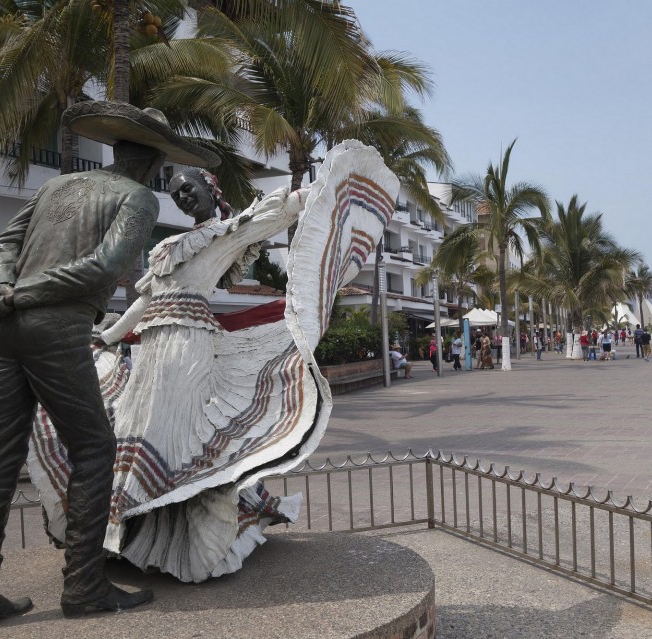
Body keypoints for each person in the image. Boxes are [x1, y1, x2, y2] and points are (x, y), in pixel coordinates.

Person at [28, 141, 397, 585]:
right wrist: (106, 335)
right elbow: (146, 302)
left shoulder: (224, 233)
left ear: (210, 189)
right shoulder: (169, 246)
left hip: (187, 347)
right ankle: (133, 534)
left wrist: (313, 195)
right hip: (152, 347)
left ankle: (186, 538)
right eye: (177, 192)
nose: (184, 196)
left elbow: (265, 219)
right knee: (136, 426)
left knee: (170, 433)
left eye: (190, 188)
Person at [0, 102, 218, 630]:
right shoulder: (137, 197)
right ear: (153, 162)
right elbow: (109, 265)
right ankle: (84, 585)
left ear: (117, 149)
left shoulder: (57, 187)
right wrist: (24, 292)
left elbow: (5, 241)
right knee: (95, 447)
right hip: (53, 325)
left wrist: (4, 286)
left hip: (2, 325)